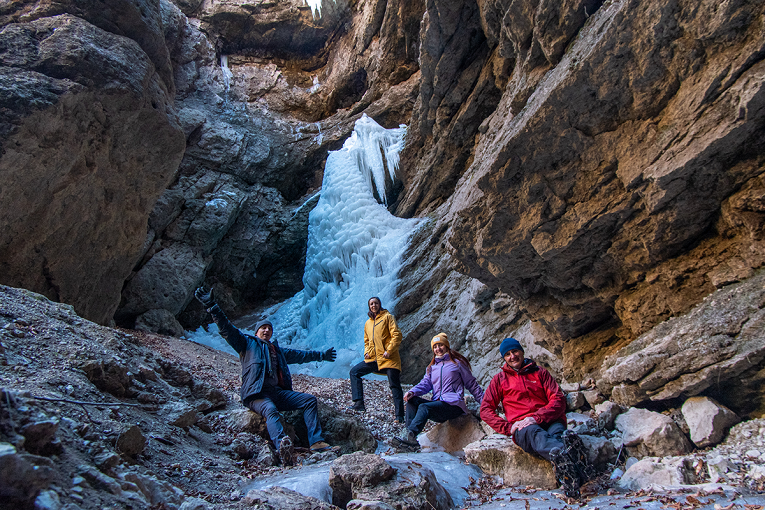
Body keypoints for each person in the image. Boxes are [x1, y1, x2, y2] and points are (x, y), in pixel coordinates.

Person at [194, 287, 337, 466]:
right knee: (270, 409)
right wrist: (212, 306)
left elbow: (300, 355)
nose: (267, 330)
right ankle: (283, 446)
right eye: (263, 328)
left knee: (309, 400)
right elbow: (227, 329)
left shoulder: (277, 350)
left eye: (269, 328)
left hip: (278, 393)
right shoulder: (246, 344)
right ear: (256, 332)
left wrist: (322, 355)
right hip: (256, 395)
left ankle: (316, 442)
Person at [480, 338, 592, 498]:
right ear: (504, 358)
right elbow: (485, 409)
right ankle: (572, 457)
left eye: (515, 351)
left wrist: (537, 417)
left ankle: (570, 479)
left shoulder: (540, 373)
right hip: (523, 428)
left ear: (522, 352)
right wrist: (508, 427)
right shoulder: (499, 380)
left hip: (549, 419)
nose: (512, 356)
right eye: (508, 354)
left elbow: (558, 399)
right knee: (537, 435)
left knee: (557, 432)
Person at [391, 333, 484, 451]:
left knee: (424, 407)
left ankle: (410, 436)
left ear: (446, 346)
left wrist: (485, 403)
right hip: (439, 405)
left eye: (440, 345)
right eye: (435, 347)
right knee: (412, 400)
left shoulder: (457, 363)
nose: (438, 349)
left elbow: (472, 384)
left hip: (453, 405)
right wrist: (412, 392)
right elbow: (425, 384)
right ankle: (410, 439)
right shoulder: (432, 367)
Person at [348, 297, 405, 422]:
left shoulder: (388, 317)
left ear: (380, 304)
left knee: (394, 385)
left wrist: (389, 351)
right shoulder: (368, 323)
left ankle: (400, 416)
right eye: (371, 304)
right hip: (374, 358)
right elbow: (367, 341)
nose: (374, 305)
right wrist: (367, 353)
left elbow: (397, 335)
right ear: (369, 306)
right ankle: (359, 404)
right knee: (354, 372)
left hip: (389, 358)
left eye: (376, 303)